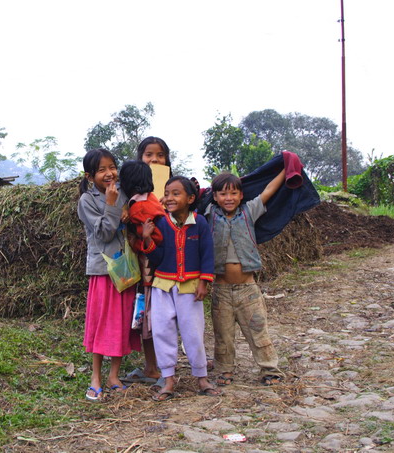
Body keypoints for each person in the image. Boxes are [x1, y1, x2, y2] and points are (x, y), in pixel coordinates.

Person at [205, 170, 286, 387]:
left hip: (248, 289)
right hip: (220, 291)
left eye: (233, 193)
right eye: (222, 194)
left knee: (258, 330)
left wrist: (286, 168)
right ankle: (224, 371)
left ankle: (270, 369)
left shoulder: (249, 211)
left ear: (242, 195)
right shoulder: (209, 214)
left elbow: (269, 189)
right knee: (223, 335)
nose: (228, 198)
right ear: (214, 196)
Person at [142, 176, 219, 401]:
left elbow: (207, 253)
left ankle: (201, 377)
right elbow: (157, 257)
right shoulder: (162, 223)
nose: (170, 198)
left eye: (176, 193)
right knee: (162, 331)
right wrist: (147, 240)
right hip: (162, 287)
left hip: (190, 287)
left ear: (191, 198)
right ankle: (168, 380)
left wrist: (204, 281)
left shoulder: (200, 223)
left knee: (193, 332)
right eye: (167, 193)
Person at [77, 148, 141, 402]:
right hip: (103, 271)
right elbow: (103, 233)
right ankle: (96, 377)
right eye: (102, 169)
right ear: (90, 176)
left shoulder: (124, 193)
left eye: (112, 167)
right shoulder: (87, 201)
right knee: (101, 323)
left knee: (121, 322)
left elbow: (130, 221)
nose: (109, 173)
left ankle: (114, 375)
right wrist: (114, 207)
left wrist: (127, 211)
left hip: (125, 268)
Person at [121, 137, 172, 386]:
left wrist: (139, 242)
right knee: (149, 319)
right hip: (149, 268)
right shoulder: (150, 198)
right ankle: (153, 367)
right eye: (149, 155)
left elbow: (156, 236)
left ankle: (161, 370)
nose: (154, 160)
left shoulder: (141, 207)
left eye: (160, 155)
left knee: (152, 318)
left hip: (153, 268)